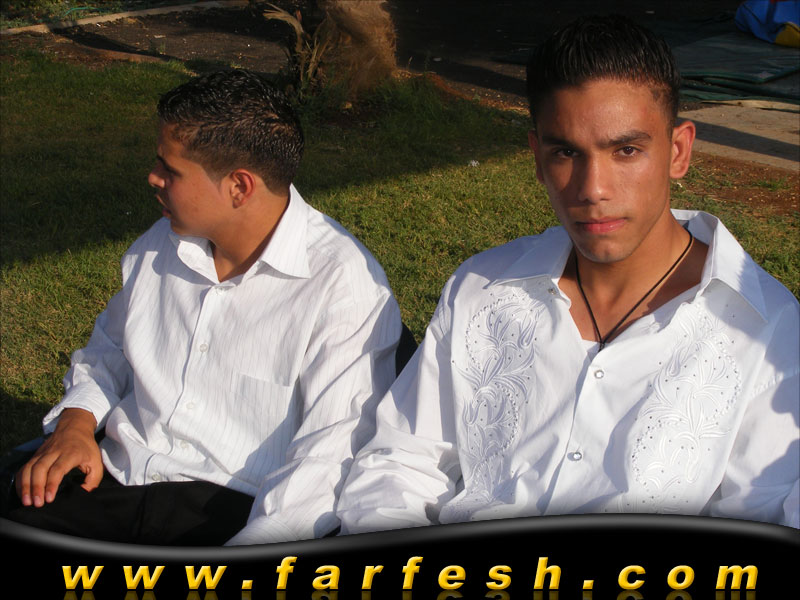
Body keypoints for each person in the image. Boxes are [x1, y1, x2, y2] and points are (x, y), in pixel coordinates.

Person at [335, 15, 799, 533]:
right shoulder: (482, 289)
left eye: (626, 150)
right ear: (537, 158)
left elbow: (768, 513)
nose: (593, 188)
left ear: (678, 151)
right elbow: (400, 461)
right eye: (566, 153)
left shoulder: (767, 332)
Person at [7, 69, 402, 545]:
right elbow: (111, 349)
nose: (152, 177)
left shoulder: (343, 287)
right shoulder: (161, 243)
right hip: (117, 477)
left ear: (239, 187)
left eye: (170, 170)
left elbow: (328, 458)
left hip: (234, 510)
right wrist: (76, 422)